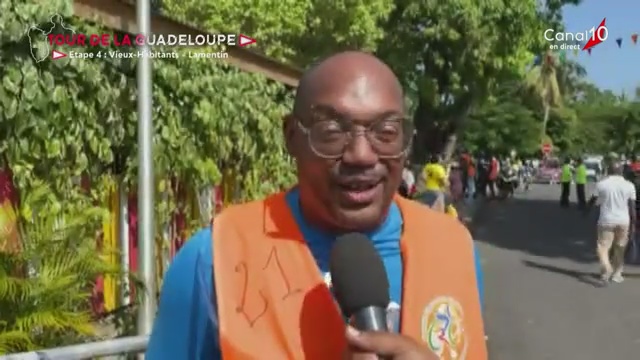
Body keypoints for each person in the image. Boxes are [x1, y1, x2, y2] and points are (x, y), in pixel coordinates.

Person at [146, 52, 487, 360]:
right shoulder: (212, 260)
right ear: (293, 136)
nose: (361, 155)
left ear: (406, 143)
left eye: (385, 131)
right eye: (332, 131)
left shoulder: (454, 248)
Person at [586, 163, 636, 284]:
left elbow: (592, 200)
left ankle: (606, 269)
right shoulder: (629, 185)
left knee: (603, 247)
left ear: (608, 171)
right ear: (621, 171)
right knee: (620, 247)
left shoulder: (602, 184)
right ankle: (617, 274)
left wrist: (586, 210)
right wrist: (633, 223)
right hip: (623, 221)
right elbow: (632, 207)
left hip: (606, 220)